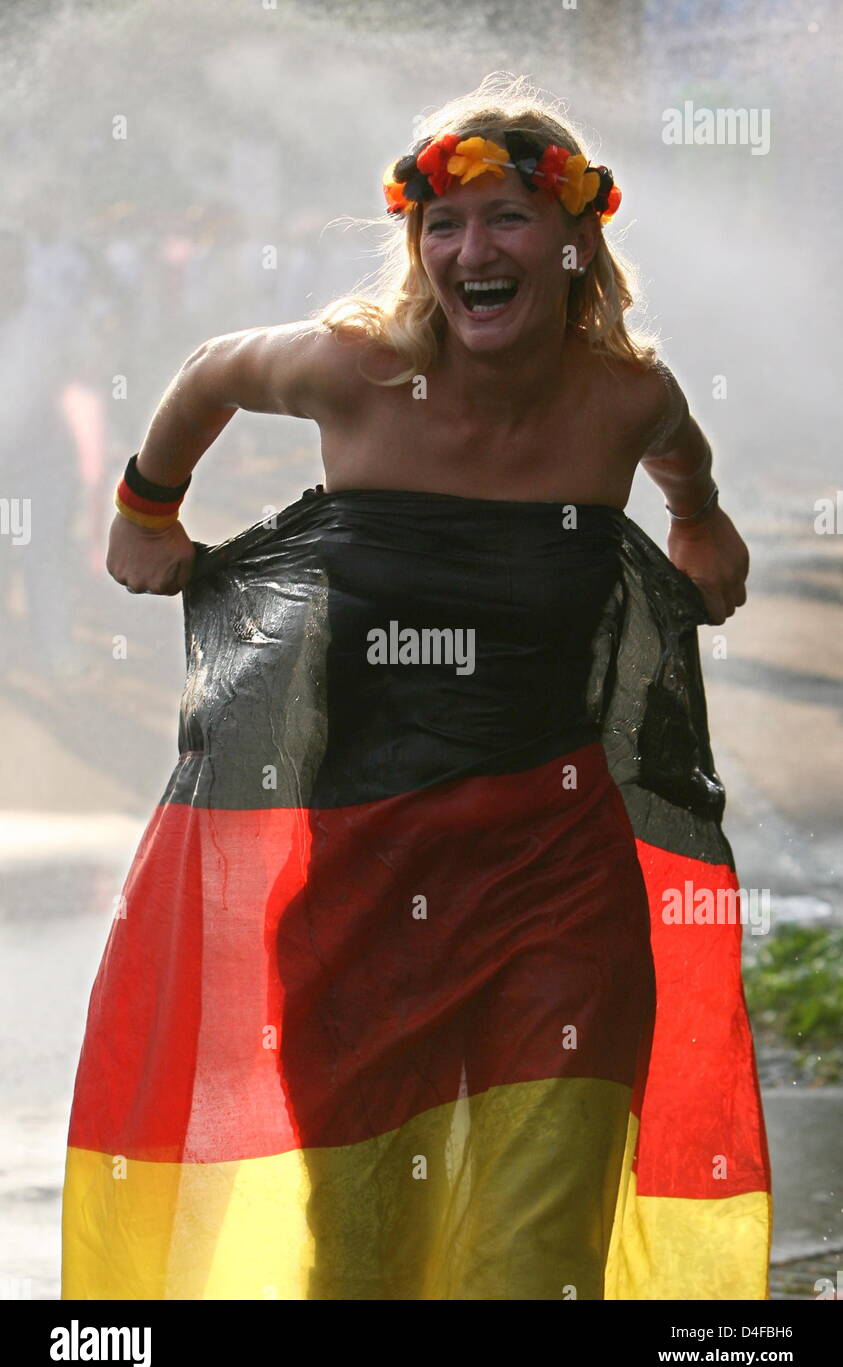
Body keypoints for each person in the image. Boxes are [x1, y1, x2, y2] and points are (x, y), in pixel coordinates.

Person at [61, 75, 770, 1300]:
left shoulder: (622, 398)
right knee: (361, 1271)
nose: (469, 250)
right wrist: (143, 505)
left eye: (505, 220)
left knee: (533, 1265)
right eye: (443, 225)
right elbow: (210, 369)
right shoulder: (356, 374)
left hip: (560, 889)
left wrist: (701, 523)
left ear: (571, 240)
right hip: (363, 889)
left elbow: (679, 450)